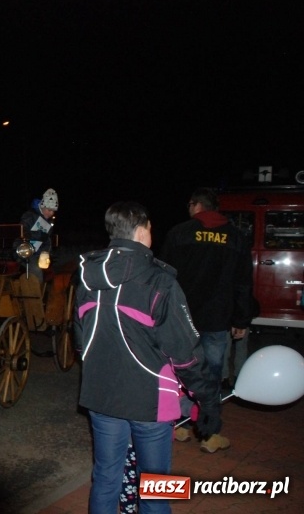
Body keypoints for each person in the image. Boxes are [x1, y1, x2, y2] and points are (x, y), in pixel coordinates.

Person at [74, 201, 221, 514]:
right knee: (155, 485)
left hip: (100, 397)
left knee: (105, 476)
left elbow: (80, 339)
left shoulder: (87, 275)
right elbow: (185, 353)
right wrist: (207, 400)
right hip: (149, 402)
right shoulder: (159, 280)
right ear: (143, 231)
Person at [159, 187, 254, 453]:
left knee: (178, 371)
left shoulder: (180, 233)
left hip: (181, 318)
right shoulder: (236, 237)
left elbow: (163, 277)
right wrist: (241, 319)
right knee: (211, 376)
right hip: (216, 319)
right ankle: (209, 434)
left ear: (196, 206)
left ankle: (178, 424)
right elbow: (243, 283)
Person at [19, 188, 58, 282]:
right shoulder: (30, 216)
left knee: (50, 269)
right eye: (49, 210)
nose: (51, 213)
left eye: (53, 211)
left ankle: (44, 292)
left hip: (40, 252)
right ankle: (35, 293)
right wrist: (39, 235)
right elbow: (23, 232)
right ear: (42, 206)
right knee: (36, 270)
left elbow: (47, 239)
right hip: (25, 252)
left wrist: (48, 252)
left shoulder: (49, 221)